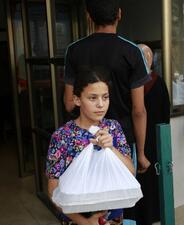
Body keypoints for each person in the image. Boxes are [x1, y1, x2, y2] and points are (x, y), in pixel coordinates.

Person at [63, 0, 151, 175]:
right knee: (121, 193)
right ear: (119, 14)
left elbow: (69, 104)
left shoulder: (74, 50)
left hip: (84, 139)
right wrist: (141, 153)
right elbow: (139, 110)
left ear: (88, 17)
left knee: (87, 193)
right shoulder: (132, 52)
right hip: (121, 139)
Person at [47, 67, 135, 225]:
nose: (101, 104)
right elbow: (53, 189)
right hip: (76, 219)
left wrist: (111, 148)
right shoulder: (63, 136)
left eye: (105, 97)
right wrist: (83, 222)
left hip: (112, 218)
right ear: (77, 100)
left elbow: (130, 172)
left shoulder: (113, 128)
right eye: (93, 98)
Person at [135, 44, 170, 225]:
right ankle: (151, 214)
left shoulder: (132, 84)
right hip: (152, 139)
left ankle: (144, 216)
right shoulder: (158, 82)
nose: (145, 57)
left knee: (143, 177)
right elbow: (166, 113)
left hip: (141, 138)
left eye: (147, 54)